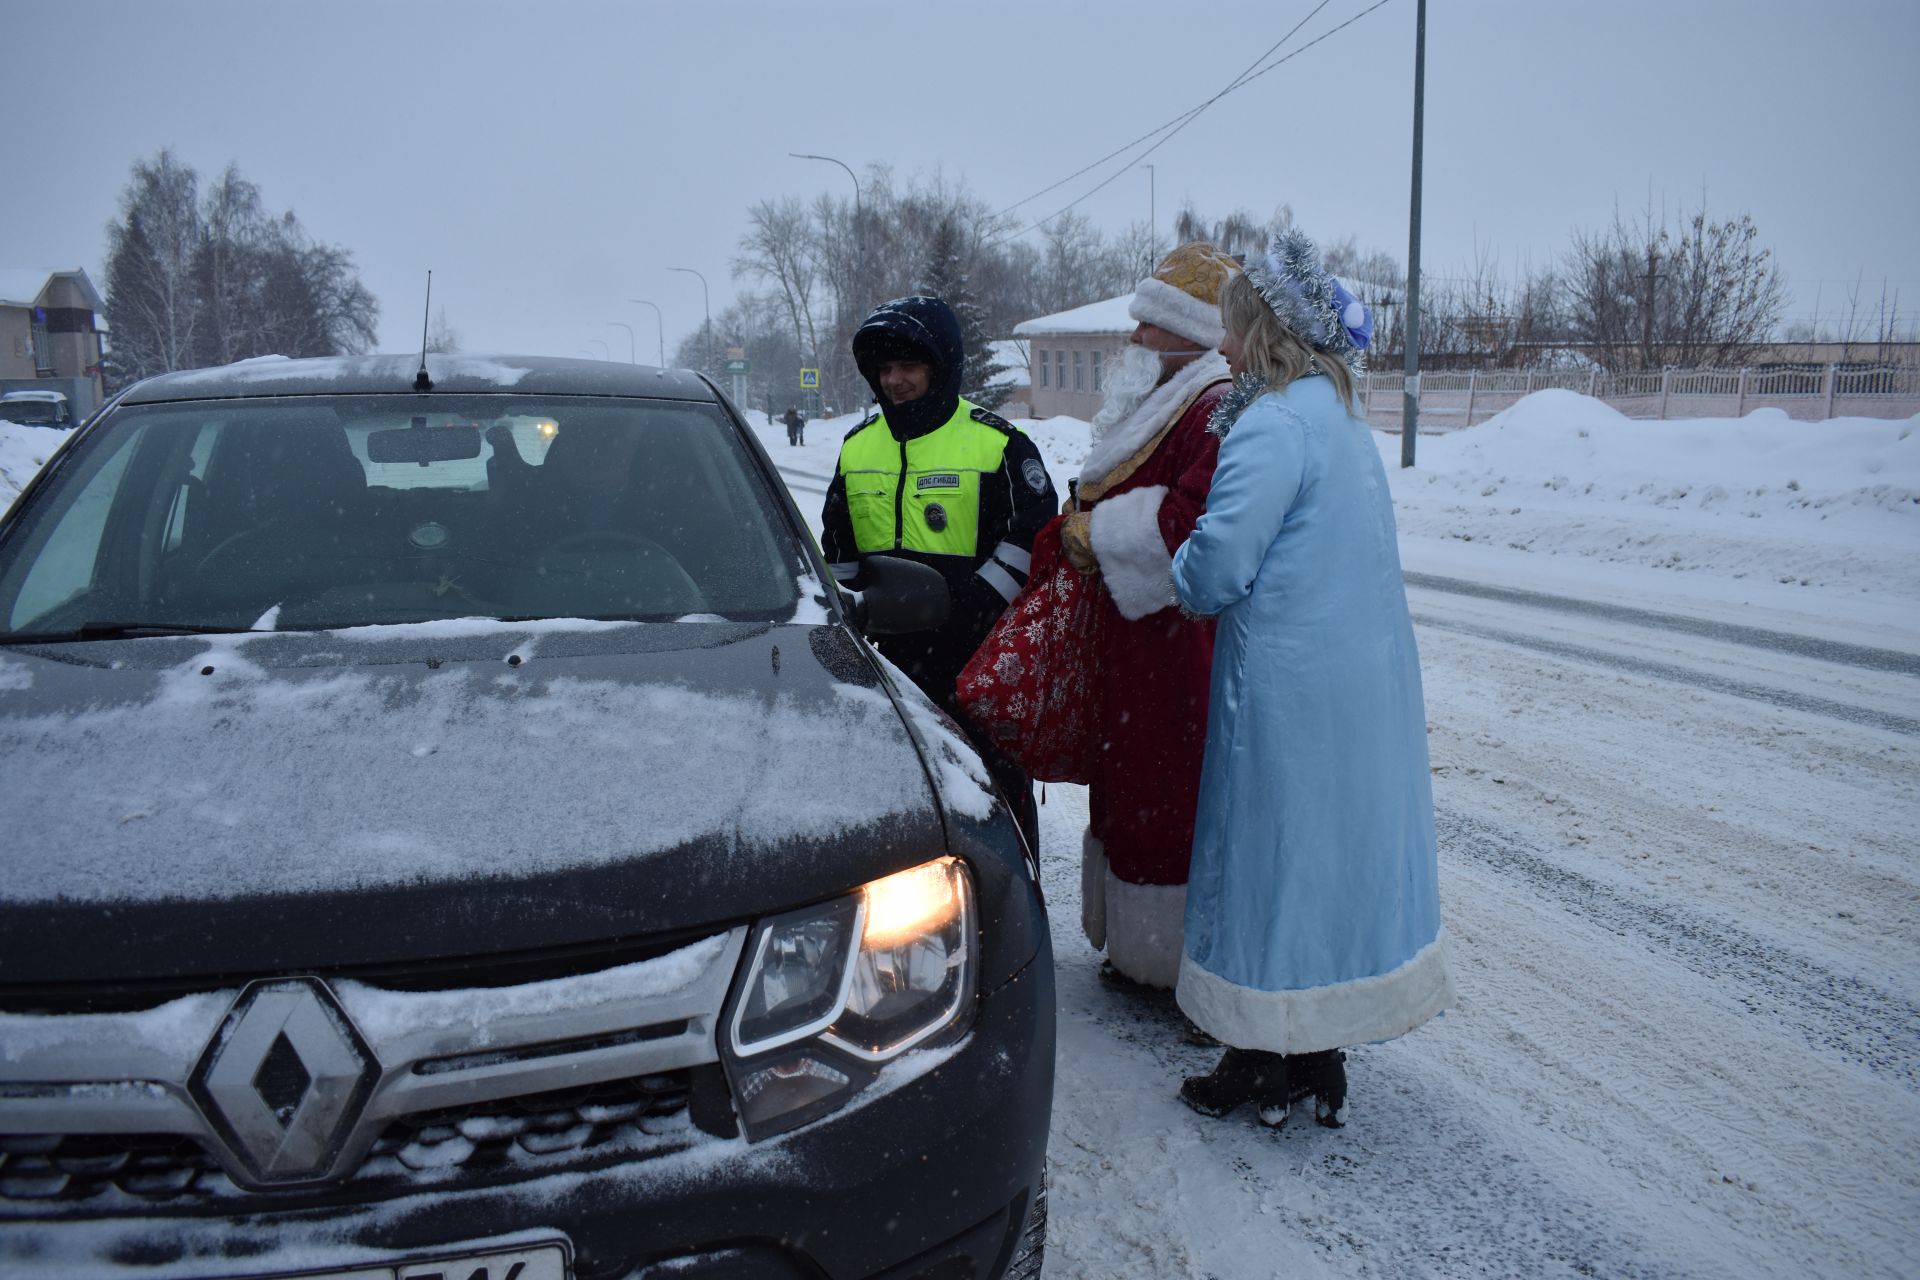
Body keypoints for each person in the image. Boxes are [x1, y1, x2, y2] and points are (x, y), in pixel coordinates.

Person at [1170, 227, 1453, 1128]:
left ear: (1260, 335)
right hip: (1358, 682)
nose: (1220, 347)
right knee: (1321, 864)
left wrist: (1178, 569)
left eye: (1230, 329)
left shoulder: (1272, 423)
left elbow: (1217, 568)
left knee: (1269, 861)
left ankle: (1259, 1052)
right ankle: (1315, 1052)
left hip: (1287, 691)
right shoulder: (1341, 416)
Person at [1055, 242, 1238, 992]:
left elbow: (1192, 522)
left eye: (1147, 327)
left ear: (1188, 334)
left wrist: (1094, 532)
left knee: (1168, 795)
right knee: (1132, 783)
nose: (1133, 339)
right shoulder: (1171, 397)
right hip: (1140, 644)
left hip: (1178, 646)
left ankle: (1172, 961)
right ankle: (1137, 948)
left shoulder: (1214, 406)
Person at [821, 295, 1057, 846]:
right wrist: (848, 603)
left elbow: (1034, 538)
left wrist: (972, 606)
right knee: (899, 804)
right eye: (886, 368)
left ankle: (1012, 908)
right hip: (889, 665)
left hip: (979, 663)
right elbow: (838, 552)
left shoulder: (996, 442)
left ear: (941, 365)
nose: (896, 380)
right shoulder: (857, 448)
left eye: (910, 366)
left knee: (994, 802)